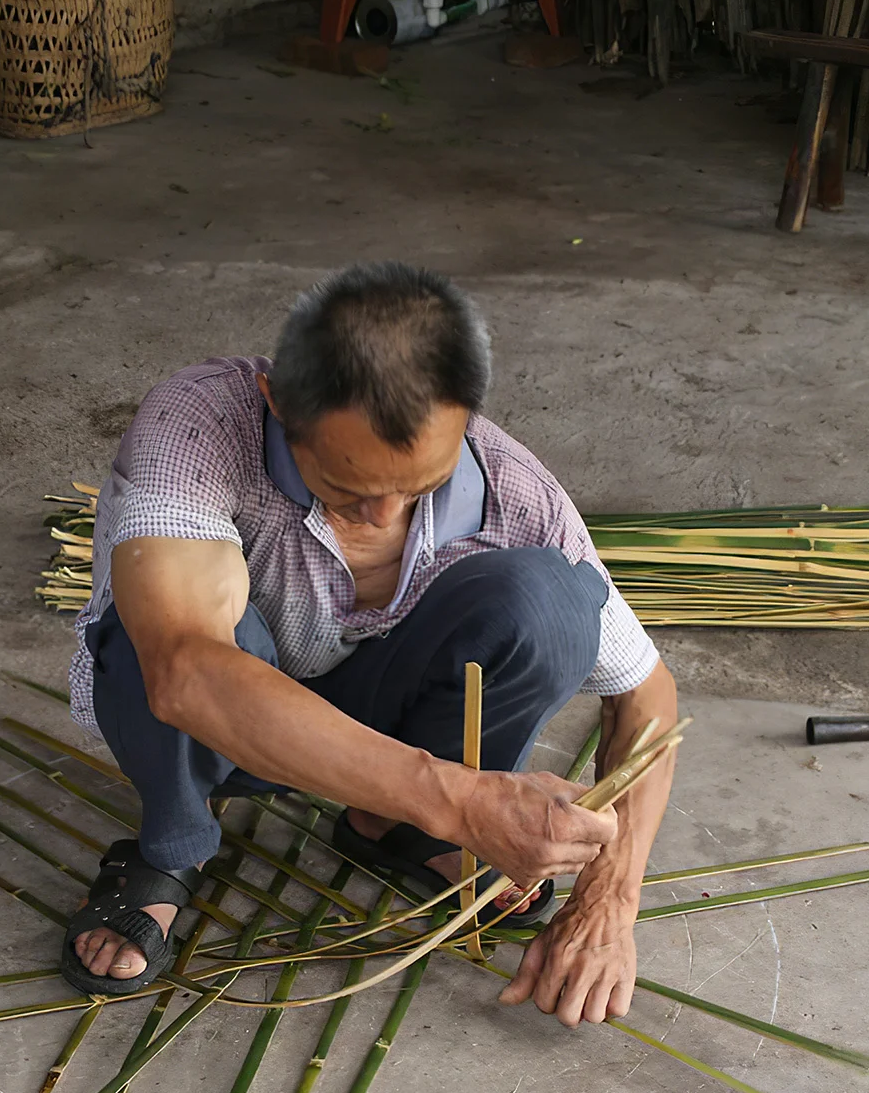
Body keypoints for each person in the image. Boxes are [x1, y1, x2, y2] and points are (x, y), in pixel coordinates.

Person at [63, 261, 678, 1028]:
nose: (385, 515)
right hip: (220, 727)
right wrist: (468, 802)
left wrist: (609, 899)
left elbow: (648, 696)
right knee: (153, 620)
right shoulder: (198, 426)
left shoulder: (517, 490)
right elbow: (187, 674)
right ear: (277, 403)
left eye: (419, 485)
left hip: (373, 717)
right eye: (348, 485)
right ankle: (171, 847)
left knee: (546, 602)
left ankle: (394, 827)